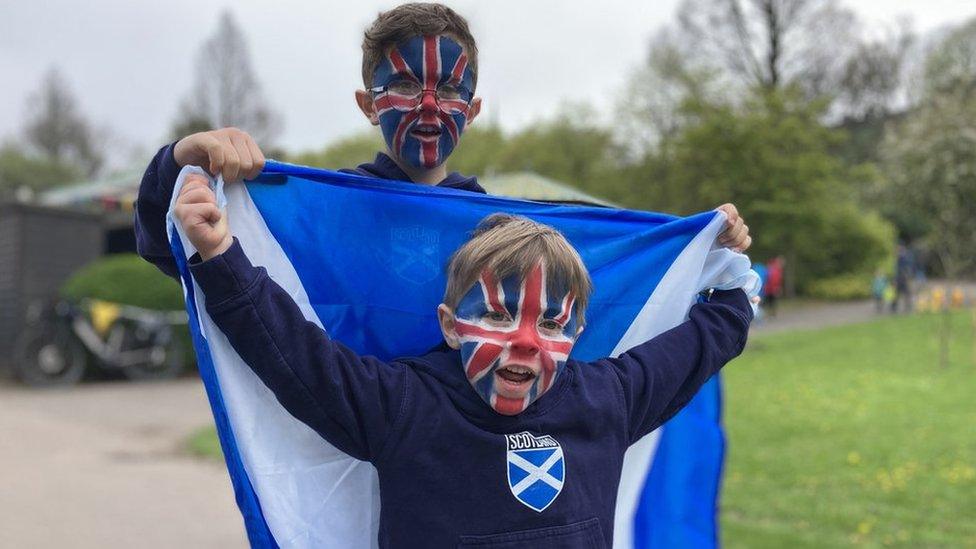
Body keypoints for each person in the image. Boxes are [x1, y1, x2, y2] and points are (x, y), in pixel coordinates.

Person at [173, 174, 753, 546]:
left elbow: (703, 340)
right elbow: (296, 356)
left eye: (550, 323)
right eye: (498, 316)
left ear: (577, 332)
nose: (524, 342)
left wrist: (724, 264)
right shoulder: (402, 406)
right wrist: (221, 255)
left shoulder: (609, 400)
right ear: (450, 327)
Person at [134, 3, 752, 281]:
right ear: (369, 105)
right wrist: (182, 160)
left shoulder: (501, 234)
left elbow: (616, 274)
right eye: (404, 83)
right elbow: (171, 253)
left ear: (474, 110)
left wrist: (701, 244)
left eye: (451, 91)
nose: (430, 106)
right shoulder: (319, 216)